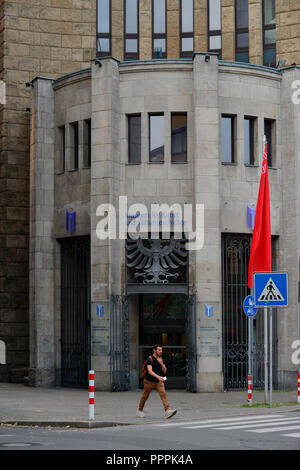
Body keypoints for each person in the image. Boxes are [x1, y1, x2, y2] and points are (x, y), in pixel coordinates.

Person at [137, 344, 177, 419]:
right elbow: (149, 371)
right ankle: (139, 410)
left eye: (161, 350)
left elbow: (164, 371)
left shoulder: (160, 359)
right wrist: (158, 377)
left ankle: (168, 411)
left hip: (158, 382)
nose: (160, 351)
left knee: (163, 394)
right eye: (159, 350)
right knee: (145, 396)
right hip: (149, 381)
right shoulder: (150, 359)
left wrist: (161, 363)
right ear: (154, 350)